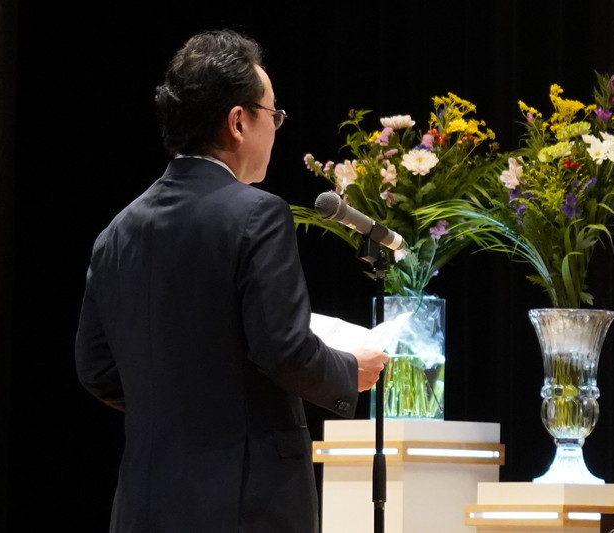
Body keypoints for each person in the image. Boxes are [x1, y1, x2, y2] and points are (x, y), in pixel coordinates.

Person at [74, 29, 388, 533]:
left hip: (144, 503)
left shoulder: (115, 233)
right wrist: (347, 370)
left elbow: (96, 369)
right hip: (246, 502)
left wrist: (181, 401)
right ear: (238, 122)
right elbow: (283, 349)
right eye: (273, 114)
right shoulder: (258, 214)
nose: (276, 128)